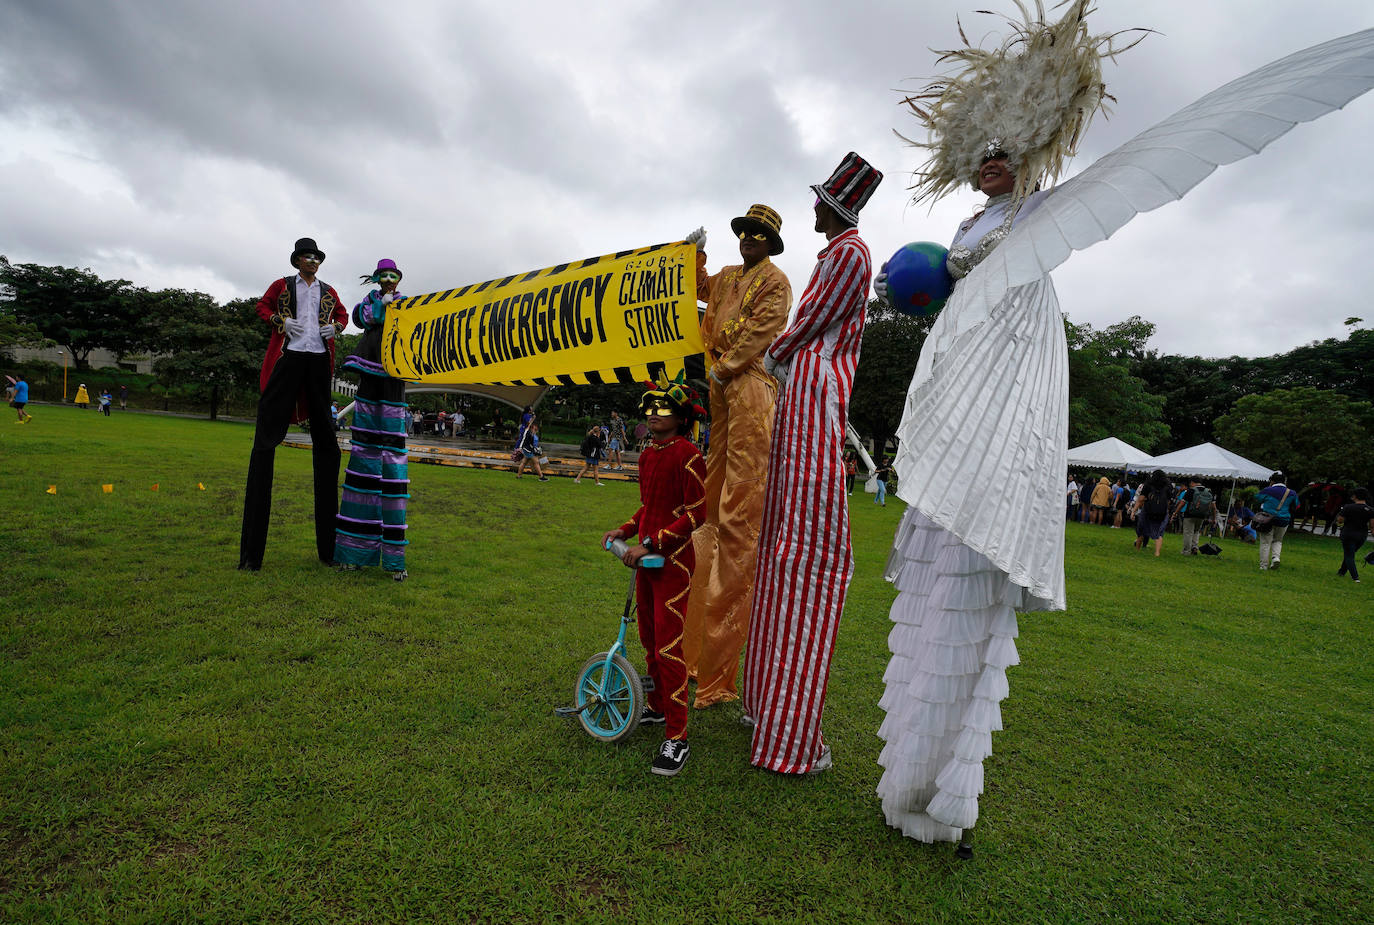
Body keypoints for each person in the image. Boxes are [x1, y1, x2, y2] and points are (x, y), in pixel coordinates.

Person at [744, 152, 881, 775]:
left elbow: (812, 320)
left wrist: (773, 353)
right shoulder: (838, 254)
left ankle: (785, 725)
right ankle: (773, 713)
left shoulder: (849, 254)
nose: (814, 207)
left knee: (805, 547)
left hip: (816, 391)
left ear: (839, 207)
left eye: (822, 200)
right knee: (790, 542)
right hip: (805, 391)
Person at [680, 203, 793, 709]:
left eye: (759, 234)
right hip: (720, 390)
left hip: (746, 387)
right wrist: (693, 255)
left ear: (770, 242)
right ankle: (691, 648)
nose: (749, 239)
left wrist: (724, 369)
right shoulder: (725, 277)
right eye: (745, 232)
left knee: (739, 511)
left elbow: (762, 331)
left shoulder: (776, 282)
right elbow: (696, 290)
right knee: (710, 494)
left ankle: (719, 668)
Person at [601, 373, 707, 776]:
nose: (653, 415)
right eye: (650, 409)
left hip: (674, 563)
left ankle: (677, 738)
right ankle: (659, 707)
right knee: (648, 638)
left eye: (663, 410)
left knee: (668, 647)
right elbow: (650, 506)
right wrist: (625, 531)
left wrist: (654, 543)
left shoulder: (689, 454)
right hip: (645, 559)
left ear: (681, 417)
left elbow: (697, 513)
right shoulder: (647, 454)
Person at [239, 237, 348, 571]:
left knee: (327, 446)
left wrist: (336, 328)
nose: (311, 261)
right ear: (297, 260)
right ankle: (251, 556)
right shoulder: (282, 284)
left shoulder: (328, 290)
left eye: (316, 257)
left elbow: (343, 316)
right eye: (306, 256)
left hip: (318, 361)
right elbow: (262, 307)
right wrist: (282, 322)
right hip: (288, 357)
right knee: (265, 441)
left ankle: (329, 551)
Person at [333, 259, 412, 581]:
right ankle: (353, 553)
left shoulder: (406, 303)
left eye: (394, 276)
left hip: (394, 369)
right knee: (364, 454)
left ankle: (394, 560)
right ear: (377, 279)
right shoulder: (370, 302)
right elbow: (361, 318)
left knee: (392, 460)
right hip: (371, 369)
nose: (390, 280)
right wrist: (381, 306)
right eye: (385, 276)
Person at [1254, 471, 1300, 570]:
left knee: (1266, 542)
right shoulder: (1292, 493)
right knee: (1278, 541)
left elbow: (1257, 498)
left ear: (1272, 481)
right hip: (1283, 520)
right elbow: (1297, 505)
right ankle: (1275, 558)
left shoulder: (1268, 490)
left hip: (1268, 519)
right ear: (1284, 481)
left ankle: (1263, 566)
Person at [1336, 488, 1374, 581]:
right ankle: (1341, 572)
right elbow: (1372, 526)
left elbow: (1340, 520)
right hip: (1362, 536)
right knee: (1350, 553)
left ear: (1355, 496)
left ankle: (1355, 577)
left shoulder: (1348, 507)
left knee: (1349, 555)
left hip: (1348, 533)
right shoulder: (1370, 510)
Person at [1133, 470, 1173, 556]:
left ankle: (1137, 549)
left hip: (1147, 510)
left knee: (1142, 530)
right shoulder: (1168, 486)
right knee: (1159, 532)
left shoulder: (1148, 485)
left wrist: (1133, 511)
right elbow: (1168, 501)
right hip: (1162, 512)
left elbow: (1140, 499)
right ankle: (1157, 552)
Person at [1172, 477, 1216, 555]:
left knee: (1188, 533)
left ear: (1192, 482)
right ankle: (1194, 547)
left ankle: (1186, 551)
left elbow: (1182, 503)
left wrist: (1175, 512)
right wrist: (1214, 518)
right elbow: (1213, 507)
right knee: (1196, 531)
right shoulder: (1208, 491)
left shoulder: (1191, 491)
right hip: (1202, 516)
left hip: (1190, 515)